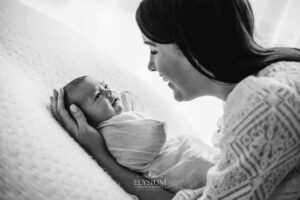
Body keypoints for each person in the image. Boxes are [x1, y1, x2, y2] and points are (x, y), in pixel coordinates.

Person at [51, 0, 300, 199]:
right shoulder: (267, 83)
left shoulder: (266, 102)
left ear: (193, 43)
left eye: (154, 50)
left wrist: (101, 156)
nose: (150, 66)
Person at [59, 75, 216, 193]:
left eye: (105, 85)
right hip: (189, 170)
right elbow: (155, 134)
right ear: (87, 120)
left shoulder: (118, 123)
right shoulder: (111, 134)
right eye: (98, 95)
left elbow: (129, 97)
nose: (108, 91)